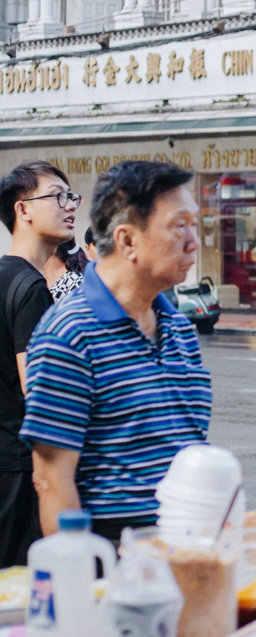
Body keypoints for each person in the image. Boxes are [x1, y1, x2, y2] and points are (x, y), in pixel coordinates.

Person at [19, 161, 210, 542]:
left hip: (189, 555)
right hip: (114, 564)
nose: (194, 241)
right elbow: (52, 481)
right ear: (126, 241)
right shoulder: (69, 335)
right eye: (179, 226)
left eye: (196, 224)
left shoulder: (179, 330)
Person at [0, 160, 77, 566]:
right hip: (17, 471)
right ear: (23, 210)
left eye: (72, 197)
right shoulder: (30, 288)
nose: (70, 206)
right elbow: (41, 393)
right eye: (57, 196)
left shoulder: (4, 276)